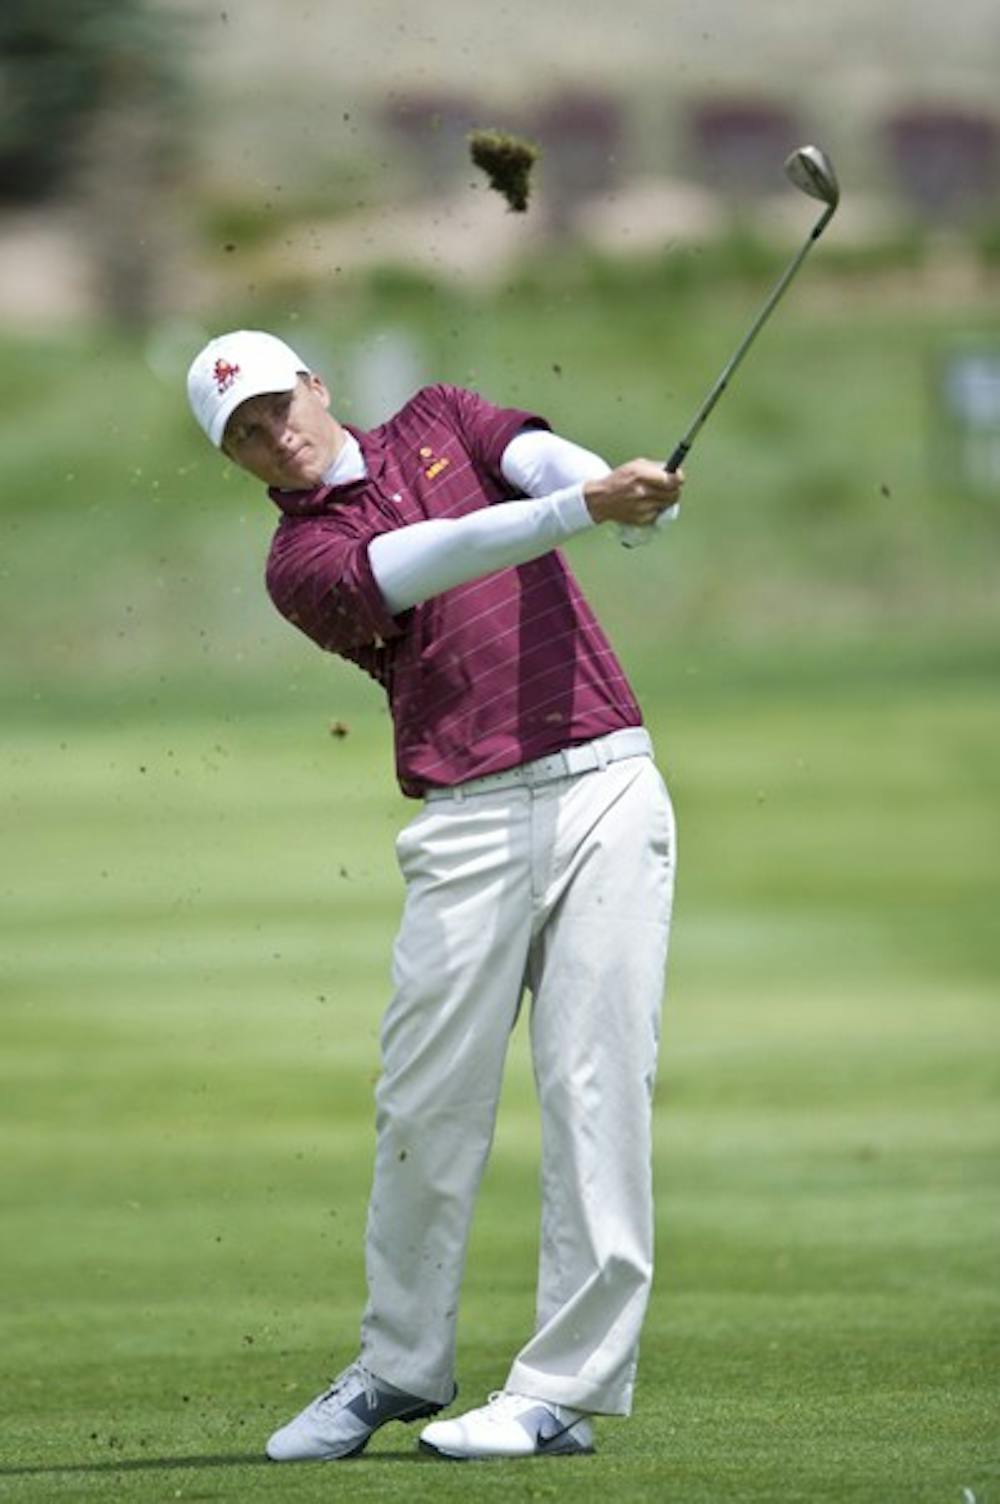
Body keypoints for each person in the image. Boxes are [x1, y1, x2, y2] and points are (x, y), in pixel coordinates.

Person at [186, 328, 684, 1462]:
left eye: (278, 406)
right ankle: (399, 1364)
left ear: (314, 382)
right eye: (247, 437)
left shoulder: (440, 418)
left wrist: (623, 492)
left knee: (597, 1086)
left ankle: (562, 1389)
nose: (277, 439)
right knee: (424, 1103)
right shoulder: (302, 564)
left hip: (606, 779)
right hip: (466, 817)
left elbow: (545, 464)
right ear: (238, 461)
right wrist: (586, 511)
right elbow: (435, 555)